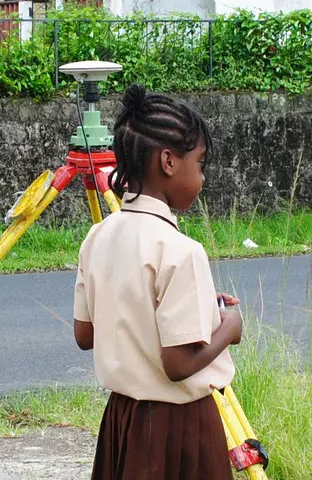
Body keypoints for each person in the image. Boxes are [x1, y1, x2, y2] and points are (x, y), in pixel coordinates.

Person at [72, 84, 243, 480]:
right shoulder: (181, 250)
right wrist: (230, 328)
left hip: (122, 420)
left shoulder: (98, 237)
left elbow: (86, 334)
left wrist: (194, 305)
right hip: (179, 427)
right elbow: (179, 364)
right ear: (168, 161)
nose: (201, 177)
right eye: (199, 163)